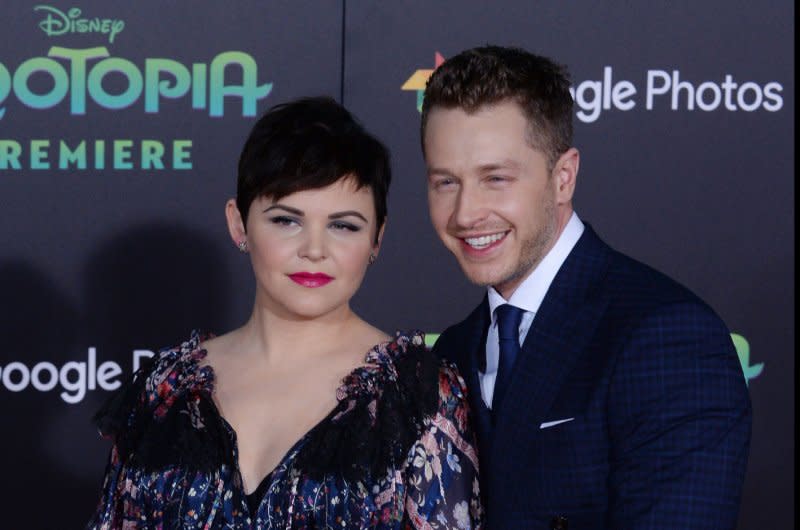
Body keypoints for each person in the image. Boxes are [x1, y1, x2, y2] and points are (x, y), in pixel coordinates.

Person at [87, 97, 483, 529]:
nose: (314, 250)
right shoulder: (165, 389)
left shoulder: (418, 397)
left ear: (377, 240)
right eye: (286, 221)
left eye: (343, 226)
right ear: (239, 224)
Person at [422, 46, 751, 529]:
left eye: (496, 178)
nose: (466, 213)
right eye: (445, 183)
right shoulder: (450, 353)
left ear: (564, 177)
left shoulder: (665, 339)